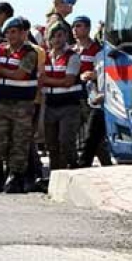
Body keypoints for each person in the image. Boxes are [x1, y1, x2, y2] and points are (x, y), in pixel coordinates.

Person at [0, 17, 38, 194]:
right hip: (2, 102)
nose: (10, 35)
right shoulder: (0, 50)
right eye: (7, 32)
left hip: (22, 105)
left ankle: (16, 177)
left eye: (14, 32)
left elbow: (20, 74)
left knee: (20, 141)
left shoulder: (30, 52)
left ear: (24, 33)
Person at [40, 22, 82, 171]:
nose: (57, 39)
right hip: (51, 105)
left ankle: (72, 168)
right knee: (51, 144)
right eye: (54, 36)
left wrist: (45, 80)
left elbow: (68, 81)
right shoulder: (45, 57)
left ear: (66, 36)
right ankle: (55, 173)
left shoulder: (73, 57)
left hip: (69, 106)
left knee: (65, 140)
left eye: (60, 35)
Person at [72, 16, 112, 167]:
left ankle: (105, 164)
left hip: (92, 96)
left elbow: (103, 71)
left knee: (94, 134)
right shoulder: (72, 50)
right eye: (74, 26)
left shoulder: (98, 50)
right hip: (75, 95)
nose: (75, 29)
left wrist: (93, 75)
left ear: (88, 28)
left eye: (79, 26)